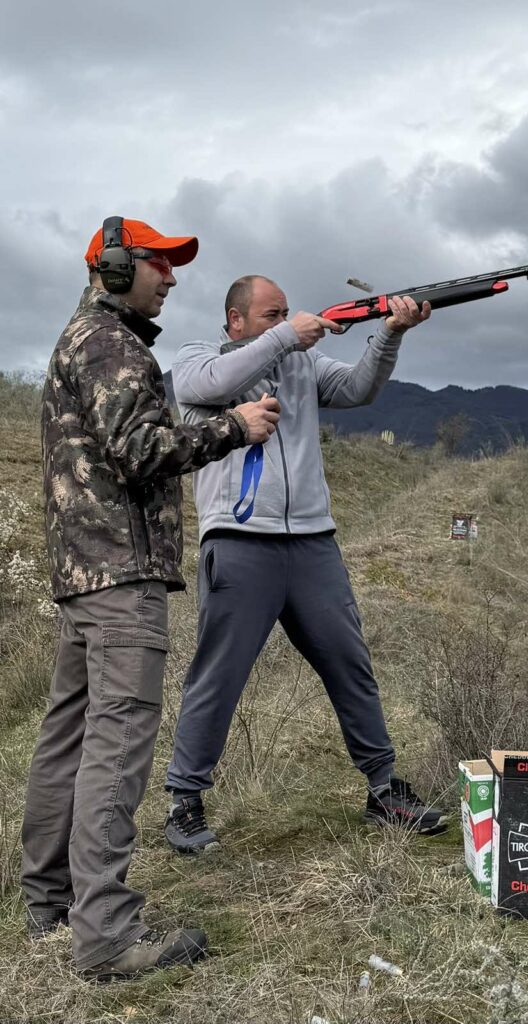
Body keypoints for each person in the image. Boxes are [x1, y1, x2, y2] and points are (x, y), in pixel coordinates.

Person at [20, 218, 280, 982]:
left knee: (68, 739)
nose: (171, 277)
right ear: (115, 267)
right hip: (121, 578)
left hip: (85, 576)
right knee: (117, 744)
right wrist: (232, 426)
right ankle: (105, 937)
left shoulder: (83, 338)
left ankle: (50, 906)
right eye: (159, 263)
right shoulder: (112, 343)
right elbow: (140, 452)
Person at [163, 273, 447, 856]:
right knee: (219, 676)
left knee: (351, 666)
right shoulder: (198, 357)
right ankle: (184, 801)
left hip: (314, 542)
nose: (285, 322)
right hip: (240, 543)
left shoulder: (301, 363)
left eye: (286, 313)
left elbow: (358, 388)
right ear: (236, 320)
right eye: (271, 315)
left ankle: (383, 790)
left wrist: (390, 333)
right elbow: (208, 382)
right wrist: (287, 336)